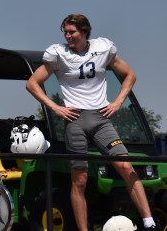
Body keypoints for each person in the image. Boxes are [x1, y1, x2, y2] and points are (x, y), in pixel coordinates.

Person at [26, 14, 156, 231]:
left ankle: (149, 222)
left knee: (125, 165)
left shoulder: (104, 48)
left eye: (72, 32)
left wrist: (118, 102)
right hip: (75, 121)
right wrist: (56, 107)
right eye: (65, 32)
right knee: (80, 180)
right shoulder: (58, 54)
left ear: (85, 31)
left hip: (101, 119)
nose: (67, 36)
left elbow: (130, 75)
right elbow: (32, 84)